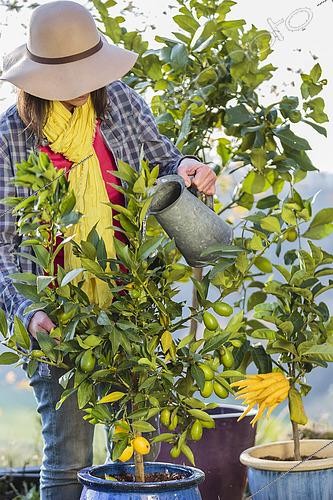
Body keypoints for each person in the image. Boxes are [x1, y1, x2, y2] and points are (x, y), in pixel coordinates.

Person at [0, 1, 217, 499]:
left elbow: (162, 160)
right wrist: (30, 311)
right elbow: (4, 245)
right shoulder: (11, 135)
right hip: (57, 316)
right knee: (69, 452)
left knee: (136, 443)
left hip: (130, 301)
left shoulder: (118, 102)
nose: (79, 85)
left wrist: (187, 166)